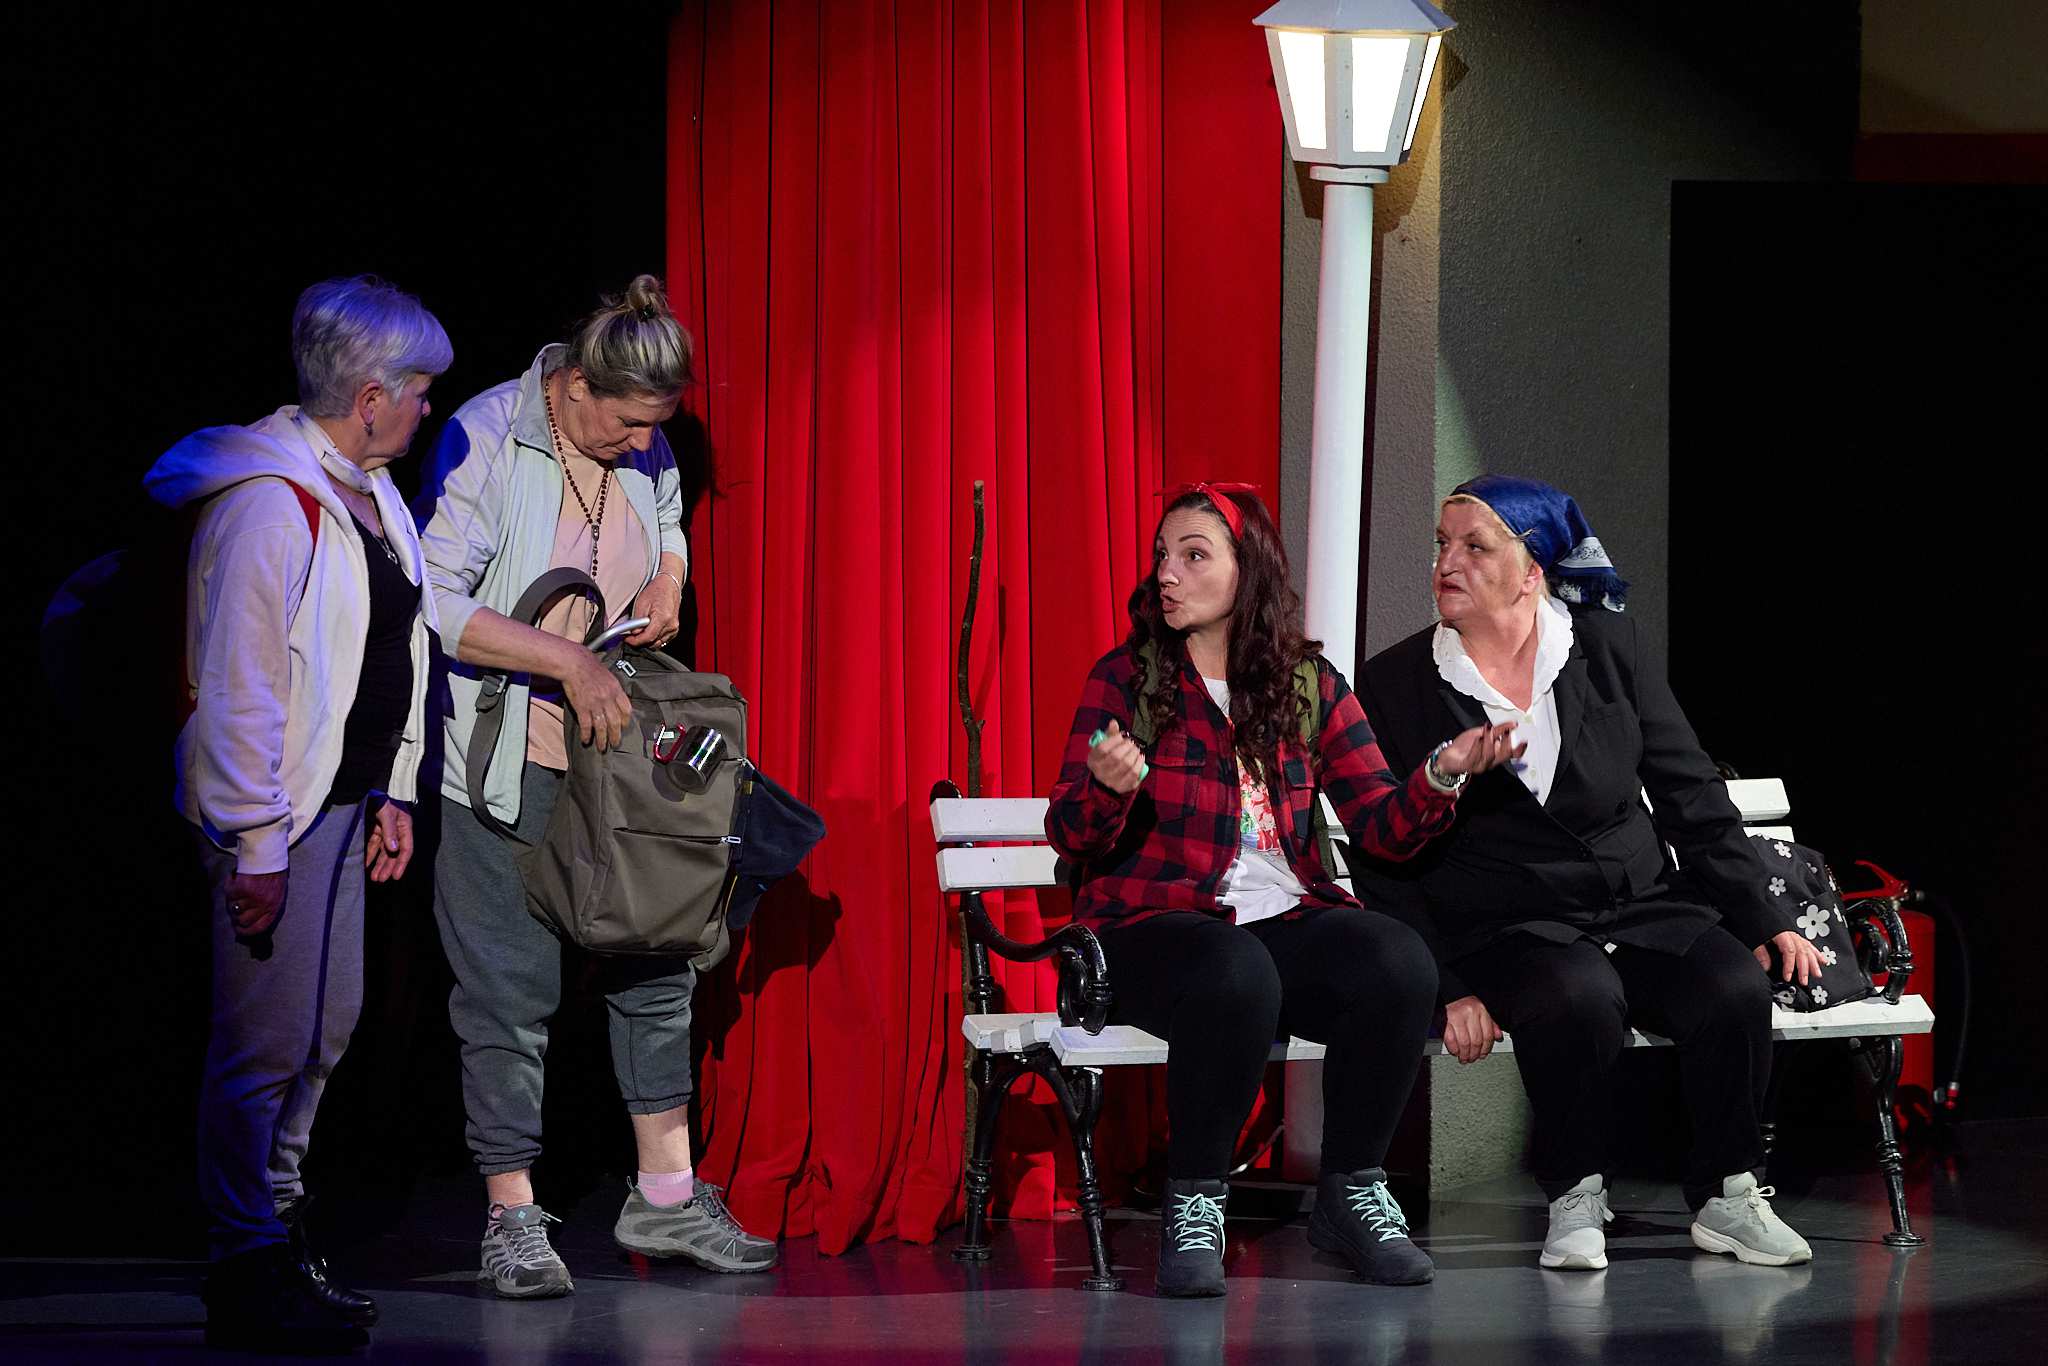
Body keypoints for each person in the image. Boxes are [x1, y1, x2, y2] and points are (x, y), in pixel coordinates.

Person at [1044, 482, 1522, 1296]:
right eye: (1163, 555)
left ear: (1249, 570)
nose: (1168, 573)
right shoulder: (1126, 679)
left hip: (1275, 921)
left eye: (1194, 555)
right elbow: (1071, 835)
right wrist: (1105, 787)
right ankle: (1195, 1202)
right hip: (1148, 926)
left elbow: (1380, 826)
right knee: (1234, 969)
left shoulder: (1308, 685)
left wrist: (1442, 774)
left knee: (1396, 962)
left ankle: (1351, 1191)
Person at [1351, 474, 1824, 1272]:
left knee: (1731, 987)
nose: (1447, 563)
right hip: (1508, 923)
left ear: (1531, 570)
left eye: (1474, 546)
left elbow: (1689, 791)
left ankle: (1728, 1193)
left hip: (1635, 902)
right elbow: (1380, 856)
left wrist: (1762, 914)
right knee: (1577, 996)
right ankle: (1575, 1192)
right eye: (1442, 544)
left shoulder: (1606, 647)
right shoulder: (1397, 682)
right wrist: (1446, 986)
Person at [416, 274, 775, 1299]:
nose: (643, 444)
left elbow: (664, 511)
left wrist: (670, 572)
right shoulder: (487, 437)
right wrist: (564, 660)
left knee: (657, 962)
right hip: (502, 761)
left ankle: (665, 1199)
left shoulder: (645, 447)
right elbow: (433, 599)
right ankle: (513, 1215)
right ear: (574, 387)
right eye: (626, 423)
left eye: (654, 427)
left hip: (619, 763)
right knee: (508, 992)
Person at [145, 275, 449, 1351]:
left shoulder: (372, 492)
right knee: (262, 1045)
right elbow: (240, 689)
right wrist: (256, 842)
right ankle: (244, 1259)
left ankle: (278, 1230)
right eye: (417, 390)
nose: (426, 407)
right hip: (273, 815)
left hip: (341, 803)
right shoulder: (269, 505)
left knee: (326, 1027)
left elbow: (395, 648)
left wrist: (394, 786)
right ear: (369, 398)